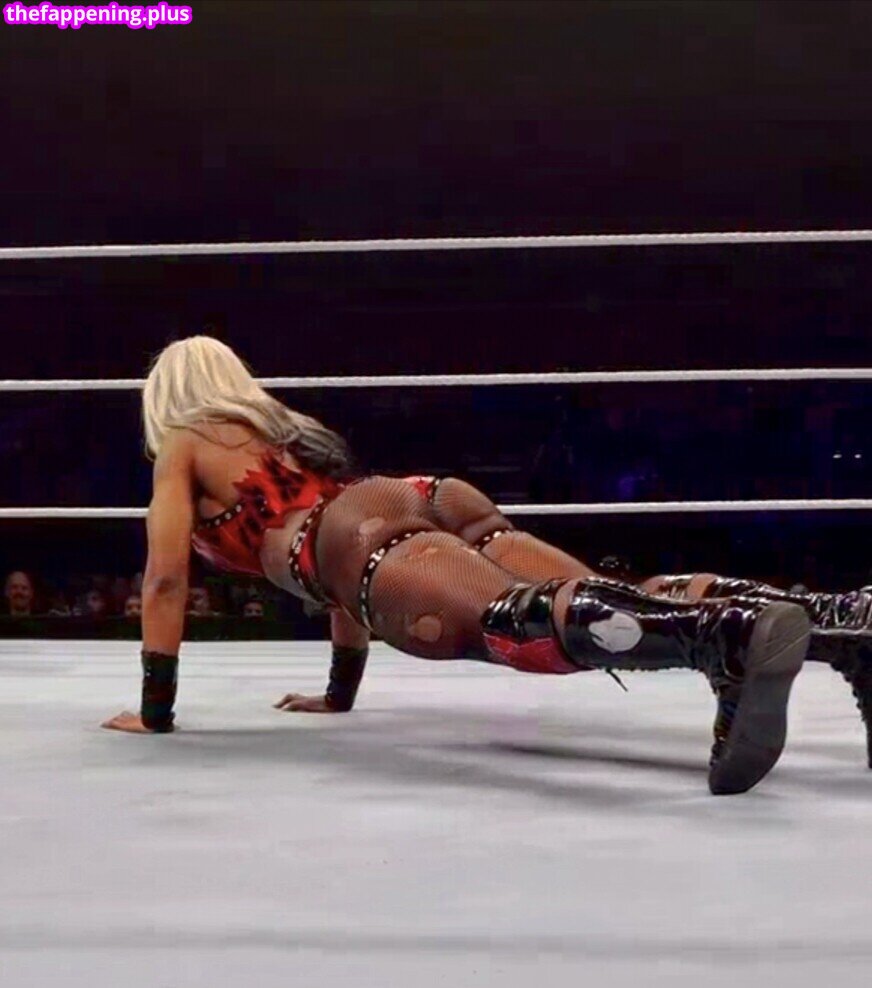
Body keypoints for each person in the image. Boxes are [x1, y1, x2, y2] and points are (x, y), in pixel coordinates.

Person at [100, 337, 868, 796]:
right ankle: (838, 620)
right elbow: (337, 557)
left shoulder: (183, 446)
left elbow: (166, 577)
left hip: (360, 540)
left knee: (511, 626)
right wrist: (339, 694)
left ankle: (724, 638)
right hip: (420, 498)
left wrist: (156, 710)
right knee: (600, 595)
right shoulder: (284, 429)